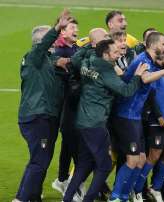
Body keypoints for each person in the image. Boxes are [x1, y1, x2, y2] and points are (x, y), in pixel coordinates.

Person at [62, 39, 147, 202]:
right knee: (105, 165)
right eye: (115, 52)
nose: (119, 53)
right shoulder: (107, 71)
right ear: (105, 54)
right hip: (95, 122)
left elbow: (77, 60)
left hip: (82, 120)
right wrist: (137, 76)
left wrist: (87, 45)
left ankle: (67, 199)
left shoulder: (89, 60)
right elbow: (126, 91)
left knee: (84, 163)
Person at [109, 32, 164, 202]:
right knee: (132, 159)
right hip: (125, 114)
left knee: (141, 158)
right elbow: (145, 79)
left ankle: (124, 194)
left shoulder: (150, 60)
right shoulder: (143, 59)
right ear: (153, 45)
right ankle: (116, 196)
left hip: (134, 115)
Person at [13, 9, 73, 202]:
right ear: (43, 41)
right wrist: (57, 28)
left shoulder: (47, 60)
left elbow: (56, 60)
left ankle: (31, 196)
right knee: (39, 161)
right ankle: (21, 199)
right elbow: (43, 49)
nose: (55, 42)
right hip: (39, 117)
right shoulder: (34, 57)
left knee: (39, 161)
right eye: (52, 39)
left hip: (45, 116)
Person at [51, 17, 82, 197]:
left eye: (76, 27)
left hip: (74, 104)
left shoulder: (75, 48)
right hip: (67, 104)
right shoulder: (60, 51)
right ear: (62, 31)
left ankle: (62, 180)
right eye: (72, 27)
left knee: (69, 146)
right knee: (75, 147)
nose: (75, 30)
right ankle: (72, 188)